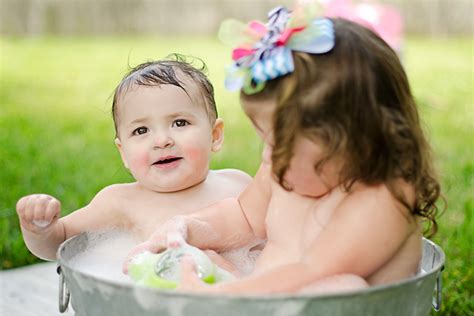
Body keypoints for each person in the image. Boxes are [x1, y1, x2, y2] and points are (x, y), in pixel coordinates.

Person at [127, 6, 440, 294]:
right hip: (263, 304)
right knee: (200, 257)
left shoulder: (382, 199)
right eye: (267, 139)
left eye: (281, 143)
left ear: (354, 140)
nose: (269, 154)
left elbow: (311, 272)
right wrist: (187, 227)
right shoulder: (284, 167)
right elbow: (245, 218)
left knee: (342, 286)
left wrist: (221, 296)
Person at [16, 57, 251, 262]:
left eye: (180, 123)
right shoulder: (120, 202)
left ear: (214, 136)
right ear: (123, 153)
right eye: (141, 131)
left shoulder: (237, 185)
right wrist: (40, 230)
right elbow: (60, 243)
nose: (161, 140)